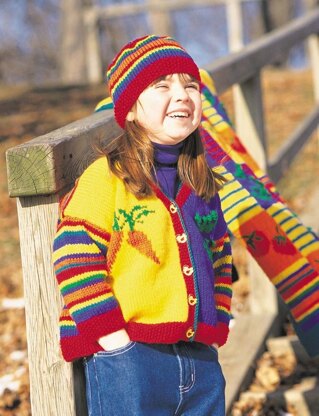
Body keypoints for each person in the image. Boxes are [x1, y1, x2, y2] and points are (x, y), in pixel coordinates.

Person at [53, 34, 233, 416]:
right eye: (162, 85)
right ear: (131, 109)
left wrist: (215, 332)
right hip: (129, 358)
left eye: (190, 85)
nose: (182, 95)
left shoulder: (201, 184)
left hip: (199, 360)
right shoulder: (107, 178)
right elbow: (73, 255)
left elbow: (220, 257)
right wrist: (114, 339)